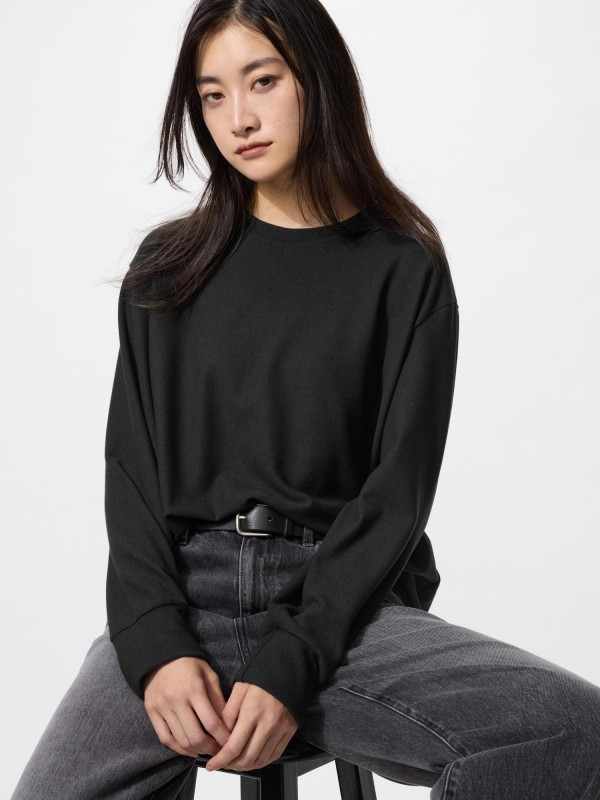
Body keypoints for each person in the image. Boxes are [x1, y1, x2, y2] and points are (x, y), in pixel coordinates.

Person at [10, 0, 600, 798]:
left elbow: (396, 496)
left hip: (336, 605)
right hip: (184, 598)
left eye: (263, 81)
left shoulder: (403, 268)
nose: (239, 118)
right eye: (212, 95)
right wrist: (154, 646)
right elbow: (132, 475)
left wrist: (294, 656)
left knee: (572, 728)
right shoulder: (167, 267)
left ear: (317, 79)